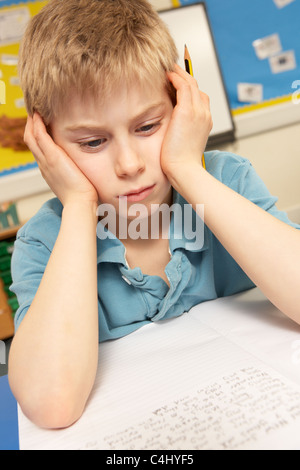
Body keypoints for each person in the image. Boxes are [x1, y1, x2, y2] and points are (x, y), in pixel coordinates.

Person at [8, 0, 300, 430]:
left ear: (183, 105)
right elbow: (52, 404)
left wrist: (186, 169)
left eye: (147, 127)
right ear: (47, 144)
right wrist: (77, 205)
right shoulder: (46, 241)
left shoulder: (226, 180)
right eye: (92, 142)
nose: (129, 164)